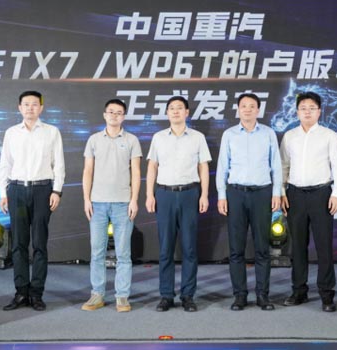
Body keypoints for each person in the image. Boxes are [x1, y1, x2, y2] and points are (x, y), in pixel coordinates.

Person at [0, 91, 65, 311]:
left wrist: (57, 191)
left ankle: (36, 293)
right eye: (26, 104)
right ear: (19, 108)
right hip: (17, 191)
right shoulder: (11, 133)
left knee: (39, 243)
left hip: (42, 191)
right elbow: (5, 165)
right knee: (18, 244)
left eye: (34, 104)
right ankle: (21, 292)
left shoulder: (51, 132)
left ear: (41, 108)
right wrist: (3, 193)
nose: (30, 108)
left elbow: (59, 165)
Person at [216, 93, 282, 311]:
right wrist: (222, 195)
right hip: (235, 193)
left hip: (262, 193)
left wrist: (276, 192)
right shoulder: (229, 134)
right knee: (236, 249)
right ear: (238, 109)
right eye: (243, 106)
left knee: (262, 248)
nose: (247, 109)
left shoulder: (268, 133)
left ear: (258, 110)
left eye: (252, 106)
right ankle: (240, 295)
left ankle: (263, 295)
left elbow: (276, 165)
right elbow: (223, 166)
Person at [279, 92, 337, 312]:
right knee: (297, 246)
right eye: (303, 108)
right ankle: (299, 291)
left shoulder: (329, 135)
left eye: (312, 108)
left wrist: (336, 193)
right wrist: (282, 191)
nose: (307, 112)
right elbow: (283, 166)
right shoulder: (289, 136)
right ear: (297, 112)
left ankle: (327, 294)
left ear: (319, 111)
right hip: (295, 195)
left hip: (321, 194)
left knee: (324, 246)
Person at [146, 96, 211, 312]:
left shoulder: (197, 137)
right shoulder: (158, 138)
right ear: (167, 113)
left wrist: (204, 195)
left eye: (179, 108)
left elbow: (203, 167)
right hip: (164, 194)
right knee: (165, 248)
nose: (175, 111)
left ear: (187, 112)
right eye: (171, 108)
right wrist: (149, 195)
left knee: (189, 248)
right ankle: (166, 295)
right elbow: (152, 167)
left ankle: (188, 295)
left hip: (189, 194)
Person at [81, 99, 142, 313]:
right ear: (104, 114)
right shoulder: (94, 140)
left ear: (123, 116)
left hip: (123, 203)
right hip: (97, 203)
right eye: (111, 112)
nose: (114, 115)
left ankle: (122, 296)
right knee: (97, 252)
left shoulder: (132, 140)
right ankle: (97, 294)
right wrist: (86, 199)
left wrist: (134, 199)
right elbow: (88, 171)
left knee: (123, 253)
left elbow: (136, 172)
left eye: (119, 112)